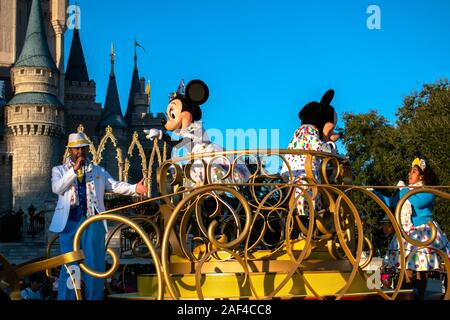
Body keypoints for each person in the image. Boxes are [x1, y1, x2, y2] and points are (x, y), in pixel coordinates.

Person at [49, 132, 148, 300]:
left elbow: (114, 185)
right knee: (70, 265)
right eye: (76, 149)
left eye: (83, 148)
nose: (80, 152)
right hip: (69, 222)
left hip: (92, 221)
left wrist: (134, 189)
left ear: (87, 150)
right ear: (70, 151)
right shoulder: (58, 171)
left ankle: (94, 297)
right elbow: (57, 188)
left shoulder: (98, 171)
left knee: (95, 264)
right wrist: (74, 171)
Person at [372, 158, 450, 299]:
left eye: (413, 171)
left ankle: (419, 296)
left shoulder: (428, 190)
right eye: (409, 171)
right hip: (406, 232)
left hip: (424, 232)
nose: (409, 174)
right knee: (404, 266)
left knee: (422, 269)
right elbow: (390, 202)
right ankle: (405, 294)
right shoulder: (406, 190)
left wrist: (404, 189)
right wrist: (374, 192)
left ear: (421, 176)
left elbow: (418, 202)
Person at [281, 89, 341, 218]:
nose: (332, 131)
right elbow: (319, 148)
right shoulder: (310, 130)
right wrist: (331, 146)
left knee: (302, 196)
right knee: (308, 198)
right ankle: (308, 224)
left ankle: (304, 224)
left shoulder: (300, 131)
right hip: (304, 169)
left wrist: (329, 138)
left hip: (294, 169)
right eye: (332, 127)